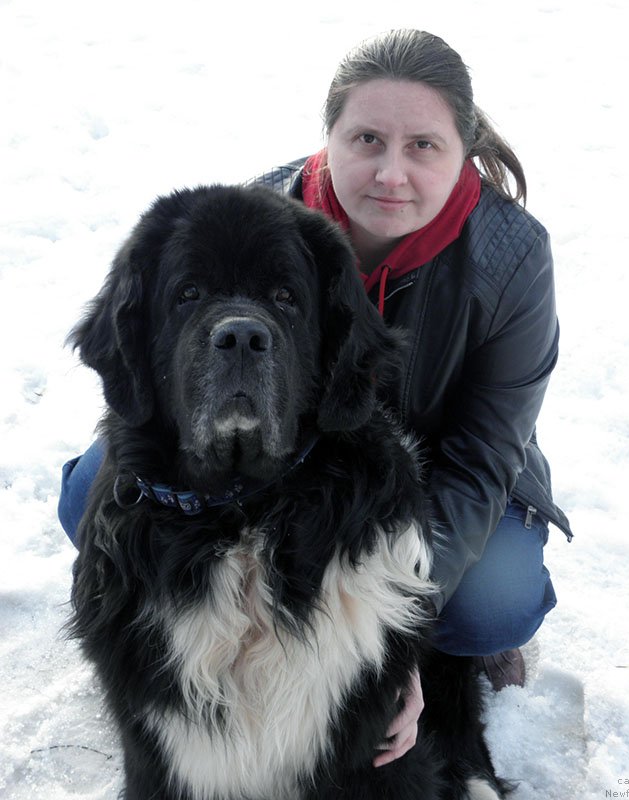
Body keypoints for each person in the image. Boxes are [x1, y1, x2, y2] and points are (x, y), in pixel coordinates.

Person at [58, 29, 573, 768]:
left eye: (423, 146)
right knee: (90, 494)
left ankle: (443, 648)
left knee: (490, 603)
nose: (391, 173)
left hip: (448, 465)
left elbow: (486, 453)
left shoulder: (513, 256)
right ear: (328, 139)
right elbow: (148, 360)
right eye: (367, 139)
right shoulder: (254, 216)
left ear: (463, 151)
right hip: (300, 451)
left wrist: (395, 639)